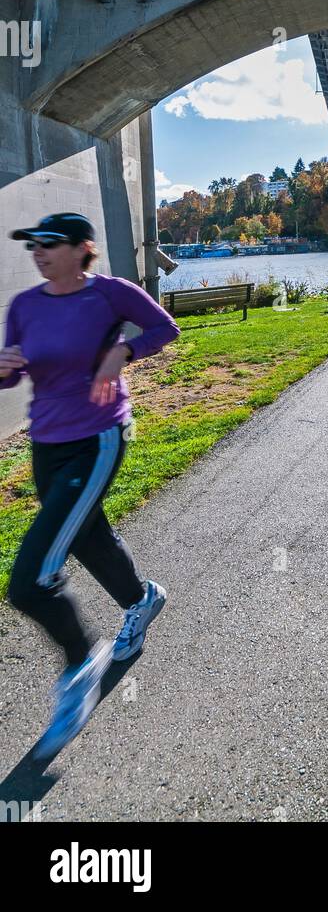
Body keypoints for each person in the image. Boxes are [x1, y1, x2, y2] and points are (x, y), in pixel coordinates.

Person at [0, 213, 180, 760]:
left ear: (83, 249)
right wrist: (3, 367)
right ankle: (140, 597)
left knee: (30, 582)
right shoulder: (24, 306)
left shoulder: (109, 294)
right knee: (82, 532)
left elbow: (165, 329)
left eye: (50, 244)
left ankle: (81, 664)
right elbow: (10, 373)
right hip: (46, 443)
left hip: (98, 437)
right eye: (33, 245)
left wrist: (122, 352)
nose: (38, 252)